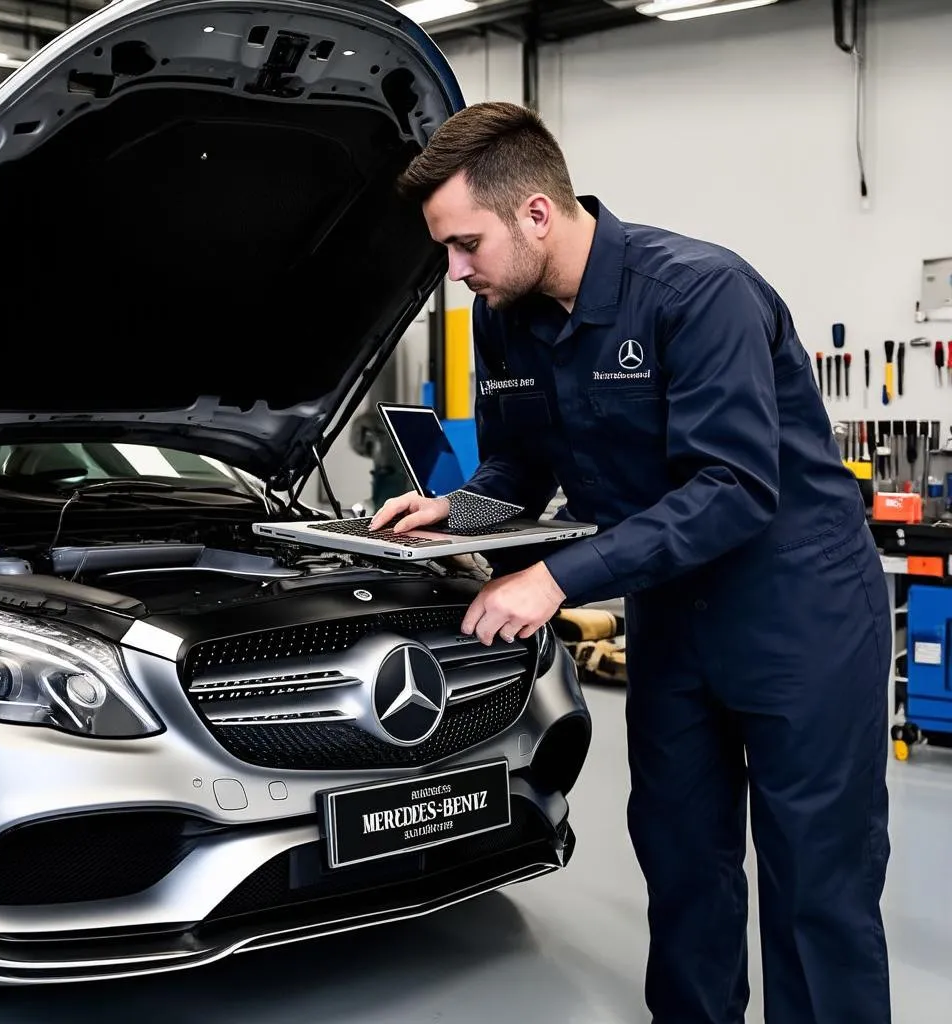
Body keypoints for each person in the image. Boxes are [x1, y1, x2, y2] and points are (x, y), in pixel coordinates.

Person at [370, 101, 892, 1024]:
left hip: (796, 610)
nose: (455, 273)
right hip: (670, 613)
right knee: (682, 857)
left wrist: (556, 578)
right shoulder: (504, 317)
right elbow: (519, 467)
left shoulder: (697, 291)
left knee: (816, 878)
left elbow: (732, 487)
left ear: (535, 213)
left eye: (464, 244)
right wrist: (463, 508)